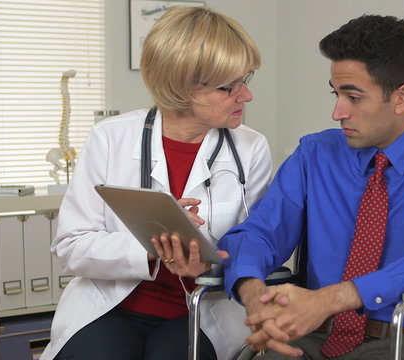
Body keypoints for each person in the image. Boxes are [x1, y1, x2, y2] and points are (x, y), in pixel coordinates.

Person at [218, 14, 404, 360]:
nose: (337, 112)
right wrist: (253, 291)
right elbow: (259, 233)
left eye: (353, 97)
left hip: (395, 338)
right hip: (307, 335)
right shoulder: (314, 153)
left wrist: (332, 298)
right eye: (336, 94)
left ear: (401, 97)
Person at [40, 6, 272, 360]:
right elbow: (71, 247)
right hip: (109, 305)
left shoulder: (251, 149)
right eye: (230, 86)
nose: (246, 95)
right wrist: (152, 247)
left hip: (202, 310)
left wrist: (206, 261)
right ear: (182, 87)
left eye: (247, 79)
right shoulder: (110, 138)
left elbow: (260, 245)